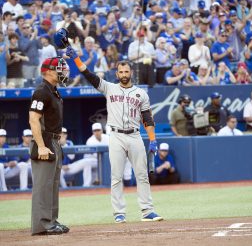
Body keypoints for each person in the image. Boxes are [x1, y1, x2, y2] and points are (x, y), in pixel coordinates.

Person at [66, 45, 163, 223]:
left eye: (126, 71)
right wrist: (76, 59)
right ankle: (119, 213)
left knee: (142, 175)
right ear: (116, 73)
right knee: (116, 176)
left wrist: (153, 140)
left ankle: (147, 211)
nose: (124, 74)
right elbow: (89, 75)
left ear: (131, 73)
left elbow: (147, 119)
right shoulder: (109, 87)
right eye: (121, 71)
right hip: (116, 136)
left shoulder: (141, 94)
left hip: (134, 135)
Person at [29, 57, 70, 235]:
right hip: (44, 140)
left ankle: (51, 221)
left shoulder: (53, 91)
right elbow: (33, 119)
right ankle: (42, 225)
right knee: (43, 185)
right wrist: (41, 145)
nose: (63, 72)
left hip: (54, 140)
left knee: (52, 185)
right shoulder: (41, 91)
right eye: (59, 69)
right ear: (48, 71)